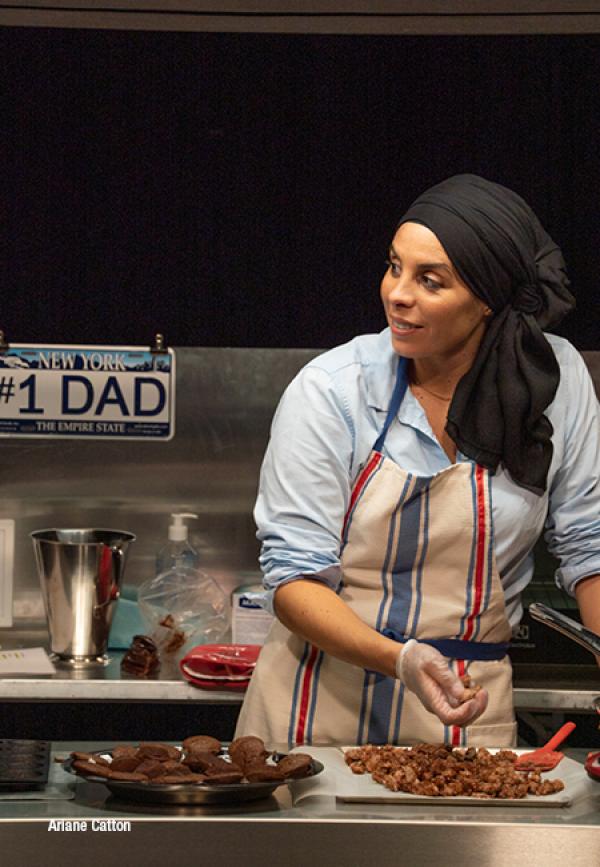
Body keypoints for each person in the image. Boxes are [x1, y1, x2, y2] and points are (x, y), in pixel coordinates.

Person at [235, 174, 600, 749]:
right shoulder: (335, 389)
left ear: (488, 298)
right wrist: (401, 658)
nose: (397, 294)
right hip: (317, 704)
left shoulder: (553, 381)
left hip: (468, 707)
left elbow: (590, 545)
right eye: (394, 267)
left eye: (431, 280)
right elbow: (294, 577)